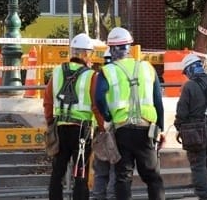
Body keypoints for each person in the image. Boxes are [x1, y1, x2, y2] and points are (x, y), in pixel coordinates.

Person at [95, 27, 165, 200]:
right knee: (153, 177)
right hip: (146, 128)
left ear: (111, 49)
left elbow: (99, 98)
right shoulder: (147, 68)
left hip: (122, 129)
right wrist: (160, 128)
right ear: (129, 47)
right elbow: (158, 101)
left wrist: (109, 117)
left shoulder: (108, 71)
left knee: (123, 177)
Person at [43, 33, 103, 200]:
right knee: (80, 175)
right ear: (85, 54)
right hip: (81, 131)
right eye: (90, 53)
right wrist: (103, 127)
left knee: (57, 173)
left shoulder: (57, 72)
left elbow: (47, 101)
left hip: (60, 128)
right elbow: (96, 106)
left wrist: (50, 123)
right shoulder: (91, 75)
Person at [174, 53, 207, 200]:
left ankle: (204, 195)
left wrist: (178, 126)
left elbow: (182, 111)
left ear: (189, 69)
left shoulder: (189, 86)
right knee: (206, 161)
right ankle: (204, 187)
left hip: (196, 131)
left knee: (198, 165)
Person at [92, 47, 116, 200]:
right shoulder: (119, 78)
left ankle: (98, 197)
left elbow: (95, 105)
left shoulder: (97, 78)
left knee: (101, 171)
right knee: (115, 169)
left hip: (100, 130)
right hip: (115, 130)